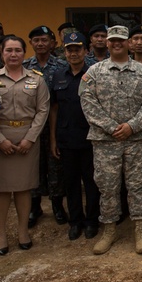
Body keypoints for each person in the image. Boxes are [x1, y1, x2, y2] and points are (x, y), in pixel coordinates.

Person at [79, 25, 142, 255]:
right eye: (112, 40)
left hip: (136, 139)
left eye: (121, 40)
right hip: (105, 141)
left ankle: (140, 229)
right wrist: (113, 127)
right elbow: (87, 103)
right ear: (106, 43)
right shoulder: (94, 72)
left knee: (138, 185)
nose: (117, 44)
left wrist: (132, 126)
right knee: (108, 186)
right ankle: (110, 229)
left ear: (129, 43)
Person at [0, 35, 50, 254]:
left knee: (24, 188)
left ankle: (23, 231)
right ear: (1, 53)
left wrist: (30, 138)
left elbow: (43, 111)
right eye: (8, 50)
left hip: (27, 138)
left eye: (18, 50)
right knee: (1, 190)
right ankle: (1, 234)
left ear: (24, 53)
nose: (13, 55)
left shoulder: (37, 79)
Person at [49, 32, 100, 241]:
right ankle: (75, 221)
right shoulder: (58, 76)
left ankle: (92, 221)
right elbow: (54, 109)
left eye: (77, 49)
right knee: (70, 182)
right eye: (69, 49)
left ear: (85, 51)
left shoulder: (95, 74)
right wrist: (53, 139)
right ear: (64, 52)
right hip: (66, 138)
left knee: (91, 182)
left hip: (90, 137)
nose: (73, 53)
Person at [24, 25, 67, 227]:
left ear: (52, 43)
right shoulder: (24, 66)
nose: (40, 44)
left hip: (55, 122)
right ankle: (34, 206)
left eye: (44, 40)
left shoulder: (61, 65)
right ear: (31, 43)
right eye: (36, 40)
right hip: (29, 124)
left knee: (55, 164)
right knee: (34, 165)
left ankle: (57, 204)